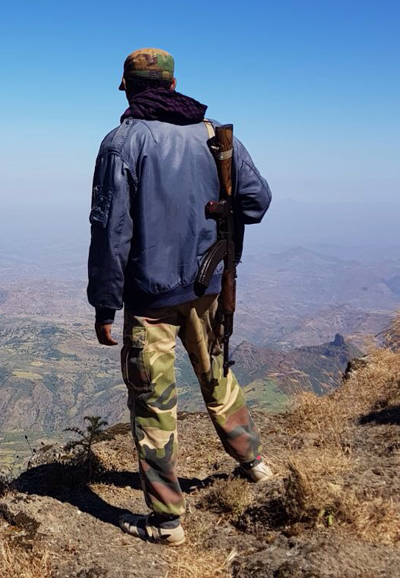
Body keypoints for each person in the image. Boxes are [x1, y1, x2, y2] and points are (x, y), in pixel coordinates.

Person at [87, 48, 274, 546]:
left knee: (153, 405)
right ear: (173, 86)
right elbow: (256, 201)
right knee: (217, 374)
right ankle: (253, 462)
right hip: (209, 286)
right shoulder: (216, 137)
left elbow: (110, 232)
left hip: (149, 298)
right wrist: (212, 216)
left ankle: (168, 521)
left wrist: (104, 303)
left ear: (127, 87)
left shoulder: (122, 143)